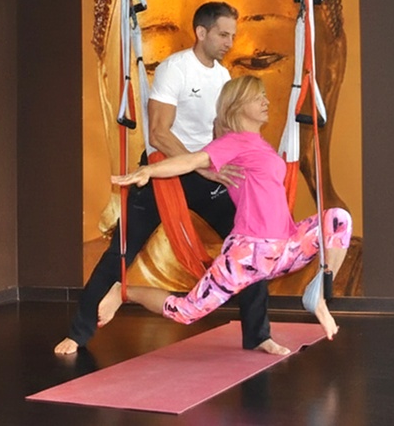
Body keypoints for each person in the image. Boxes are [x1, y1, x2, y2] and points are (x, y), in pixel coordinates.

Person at [88, 0, 362, 297]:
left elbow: (221, 137)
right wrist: (167, 169)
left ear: (327, 78)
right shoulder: (176, 74)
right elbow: (165, 137)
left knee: (250, 253)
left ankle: (259, 326)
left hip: (220, 180)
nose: (229, 49)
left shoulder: (222, 82)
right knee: (127, 262)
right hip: (178, 170)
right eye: (152, 60)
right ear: (107, 85)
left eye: (261, 59)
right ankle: (94, 314)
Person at [56, 3, 288, 356]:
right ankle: (78, 332)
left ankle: (258, 335)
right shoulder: (174, 69)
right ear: (201, 32)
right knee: (121, 250)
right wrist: (201, 167)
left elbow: (223, 131)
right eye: (223, 34)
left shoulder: (222, 77)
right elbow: (159, 133)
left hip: (205, 173)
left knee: (250, 243)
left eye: (232, 35)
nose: (229, 42)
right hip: (164, 171)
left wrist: (227, 163)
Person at [102, 75, 352, 340]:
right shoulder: (233, 143)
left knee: (338, 219)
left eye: (264, 96)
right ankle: (124, 292)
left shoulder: (263, 146)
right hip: (247, 254)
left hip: (285, 248)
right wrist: (149, 171)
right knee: (185, 311)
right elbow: (191, 161)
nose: (266, 102)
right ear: (237, 105)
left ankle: (319, 296)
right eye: (258, 97)